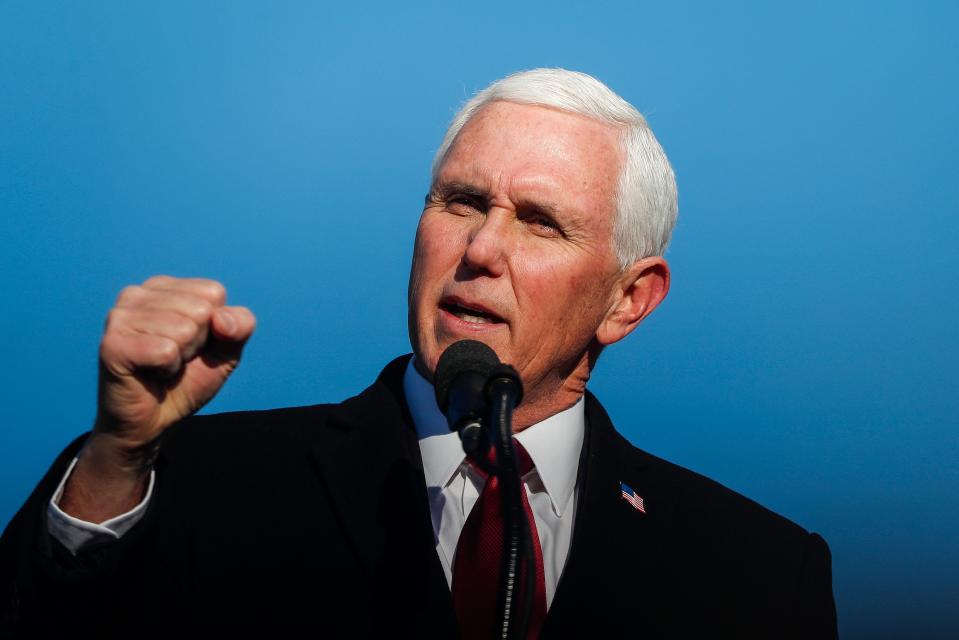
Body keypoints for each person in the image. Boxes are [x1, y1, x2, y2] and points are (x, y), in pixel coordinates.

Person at [0, 69, 838, 638]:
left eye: (539, 222)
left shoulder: (756, 571)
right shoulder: (196, 483)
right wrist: (119, 457)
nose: (480, 249)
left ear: (628, 299)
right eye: (460, 202)